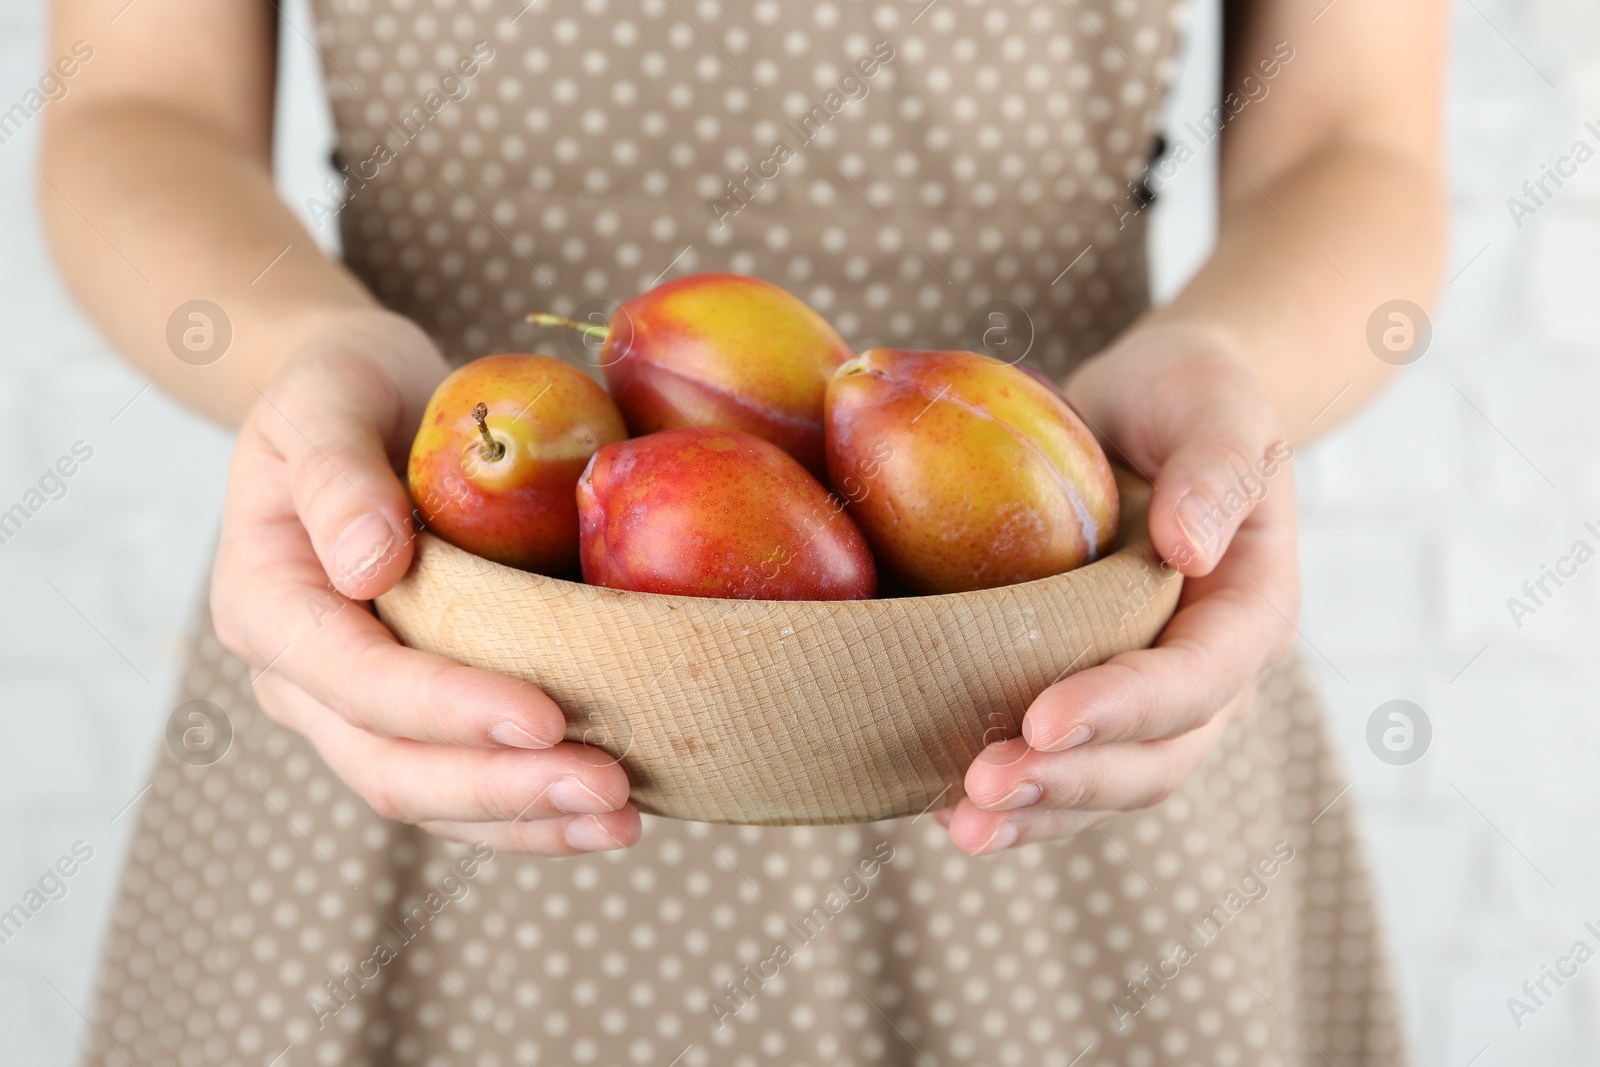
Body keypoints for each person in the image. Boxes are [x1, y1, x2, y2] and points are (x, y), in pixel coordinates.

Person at [43, 0, 1446, 1062]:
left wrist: (1221, 372)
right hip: (409, 689)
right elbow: (135, 110)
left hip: (1061, 699)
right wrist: (312, 352)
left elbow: (1350, 137)